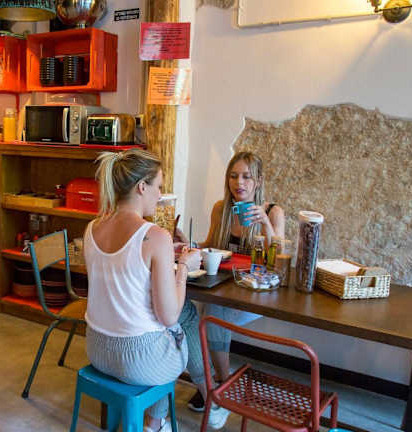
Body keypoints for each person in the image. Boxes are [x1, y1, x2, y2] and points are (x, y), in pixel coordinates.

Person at [84, 149, 230, 432]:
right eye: (159, 187)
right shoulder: (155, 236)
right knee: (182, 320)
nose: (160, 195)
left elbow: (121, 283)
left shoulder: (92, 228)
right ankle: (160, 420)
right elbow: (168, 316)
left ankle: (166, 417)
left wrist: (163, 256)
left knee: (170, 327)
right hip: (136, 361)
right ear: (142, 187)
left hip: (97, 349)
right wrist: (183, 266)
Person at [178, 151, 285, 412]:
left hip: (256, 291)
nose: (239, 183)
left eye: (247, 177)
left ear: (258, 181)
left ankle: (221, 385)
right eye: (234, 176)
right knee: (191, 310)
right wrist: (187, 243)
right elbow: (210, 245)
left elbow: (279, 260)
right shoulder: (221, 209)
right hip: (224, 287)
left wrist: (265, 225)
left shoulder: (273, 212)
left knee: (212, 315)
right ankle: (211, 382)